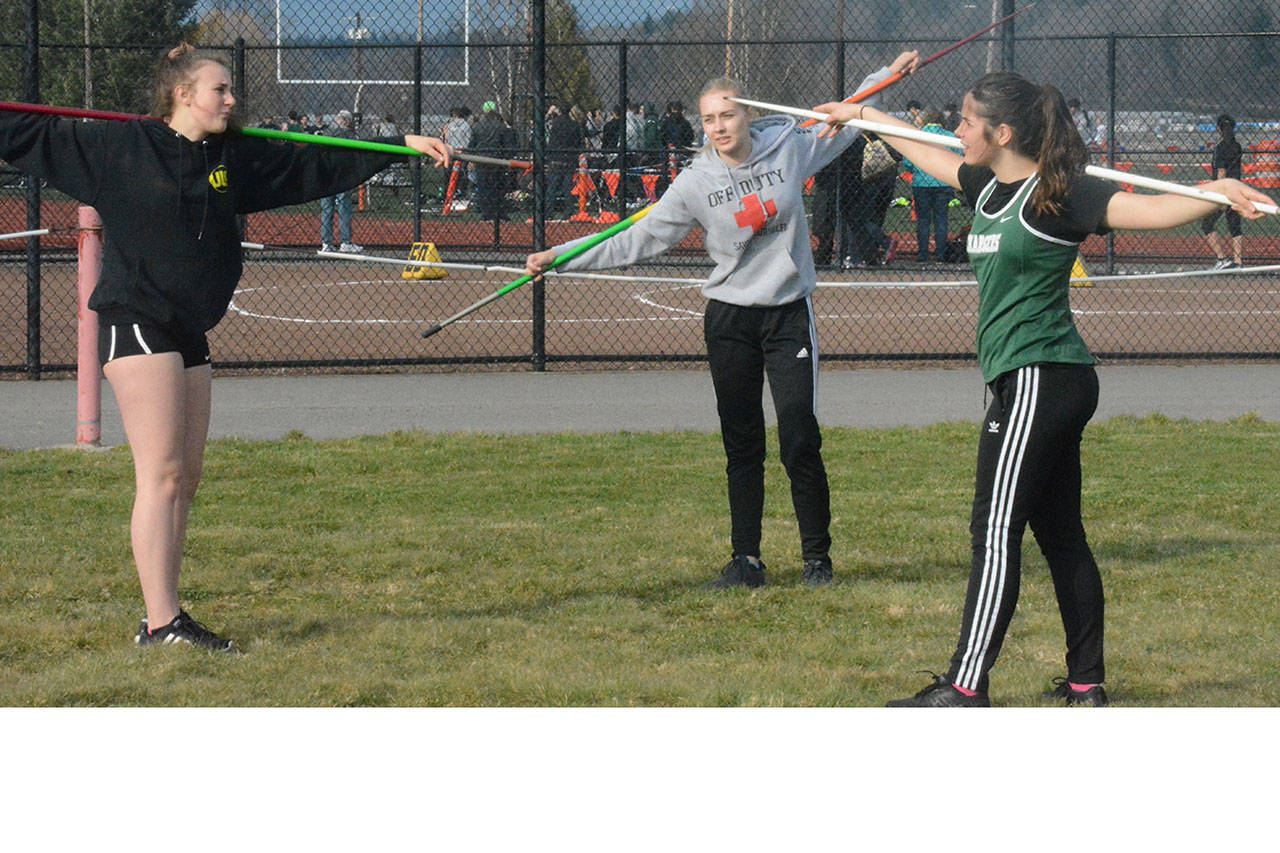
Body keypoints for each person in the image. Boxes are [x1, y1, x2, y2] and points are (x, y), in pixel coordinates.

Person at [817, 72, 1272, 706]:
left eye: (968, 121)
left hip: (1043, 375)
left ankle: (965, 687)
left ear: (1003, 133)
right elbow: (919, 148)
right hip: (1029, 380)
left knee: (994, 529)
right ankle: (1086, 683)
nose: (957, 130)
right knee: (1059, 536)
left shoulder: (1059, 196)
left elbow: (1149, 211)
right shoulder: (984, 186)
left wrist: (1216, 191)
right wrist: (861, 114)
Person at [0, 44, 451, 651]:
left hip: (189, 328)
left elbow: (313, 162)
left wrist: (398, 146)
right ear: (183, 94)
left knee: (185, 479)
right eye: (220, 90)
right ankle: (162, 623)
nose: (232, 100)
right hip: (138, 320)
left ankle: (163, 615)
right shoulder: (119, 147)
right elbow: (27, 132)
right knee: (160, 475)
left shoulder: (232, 155)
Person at [526, 52, 922, 589]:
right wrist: (559, 257)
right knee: (742, 441)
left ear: (748, 115)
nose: (719, 127)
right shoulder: (695, 181)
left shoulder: (790, 145)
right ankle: (746, 561)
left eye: (727, 116)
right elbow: (637, 238)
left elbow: (850, 112)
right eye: (709, 119)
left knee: (799, 436)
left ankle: (817, 560)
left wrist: (891, 74)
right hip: (730, 319)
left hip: (787, 314)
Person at [902, 107, 956, 262]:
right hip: (943, 180)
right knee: (941, 218)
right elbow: (957, 156)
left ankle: (923, 254)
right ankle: (941, 254)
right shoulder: (950, 136)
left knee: (923, 219)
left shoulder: (917, 137)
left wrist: (916, 169)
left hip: (921, 183)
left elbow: (908, 162)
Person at [1203, 113, 1245, 269]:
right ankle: (1238, 262)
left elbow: (1221, 172)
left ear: (1219, 129)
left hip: (1224, 190)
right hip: (1236, 188)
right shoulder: (1237, 146)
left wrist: (1219, 196)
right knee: (1234, 225)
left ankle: (1221, 258)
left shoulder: (1220, 148)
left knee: (1207, 224)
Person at [319, 109, 362, 253]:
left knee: (327, 210)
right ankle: (345, 241)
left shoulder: (327, 132)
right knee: (344, 208)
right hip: (342, 175)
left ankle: (326, 243)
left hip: (327, 174)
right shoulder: (349, 135)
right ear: (347, 122)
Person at [471, 100, 516, 224]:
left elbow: (472, 144)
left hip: (481, 159)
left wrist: (472, 158)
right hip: (497, 159)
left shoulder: (478, 126)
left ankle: (487, 214)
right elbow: (506, 145)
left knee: (483, 187)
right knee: (498, 187)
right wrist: (507, 158)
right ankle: (500, 213)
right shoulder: (501, 126)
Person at [544, 100, 585, 219]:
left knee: (551, 188)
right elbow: (579, 143)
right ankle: (568, 212)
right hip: (569, 159)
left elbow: (545, 131)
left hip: (555, 158)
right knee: (568, 188)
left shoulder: (554, 123)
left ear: (559, 111)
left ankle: (548, 212)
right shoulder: (575, 125)